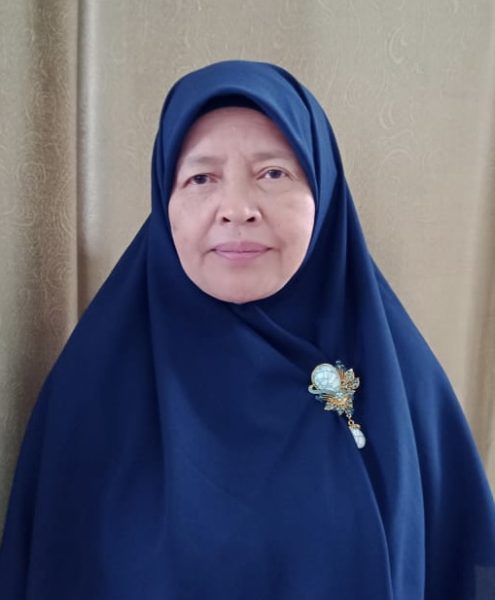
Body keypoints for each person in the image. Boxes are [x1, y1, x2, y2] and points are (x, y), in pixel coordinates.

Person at [0, 60, 494, 599]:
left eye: (273, 174)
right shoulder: (91, 389)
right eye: (201, 178)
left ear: (324, 191)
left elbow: (464, 564)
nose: (236, 209)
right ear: (165, 200)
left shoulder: (400, 381)